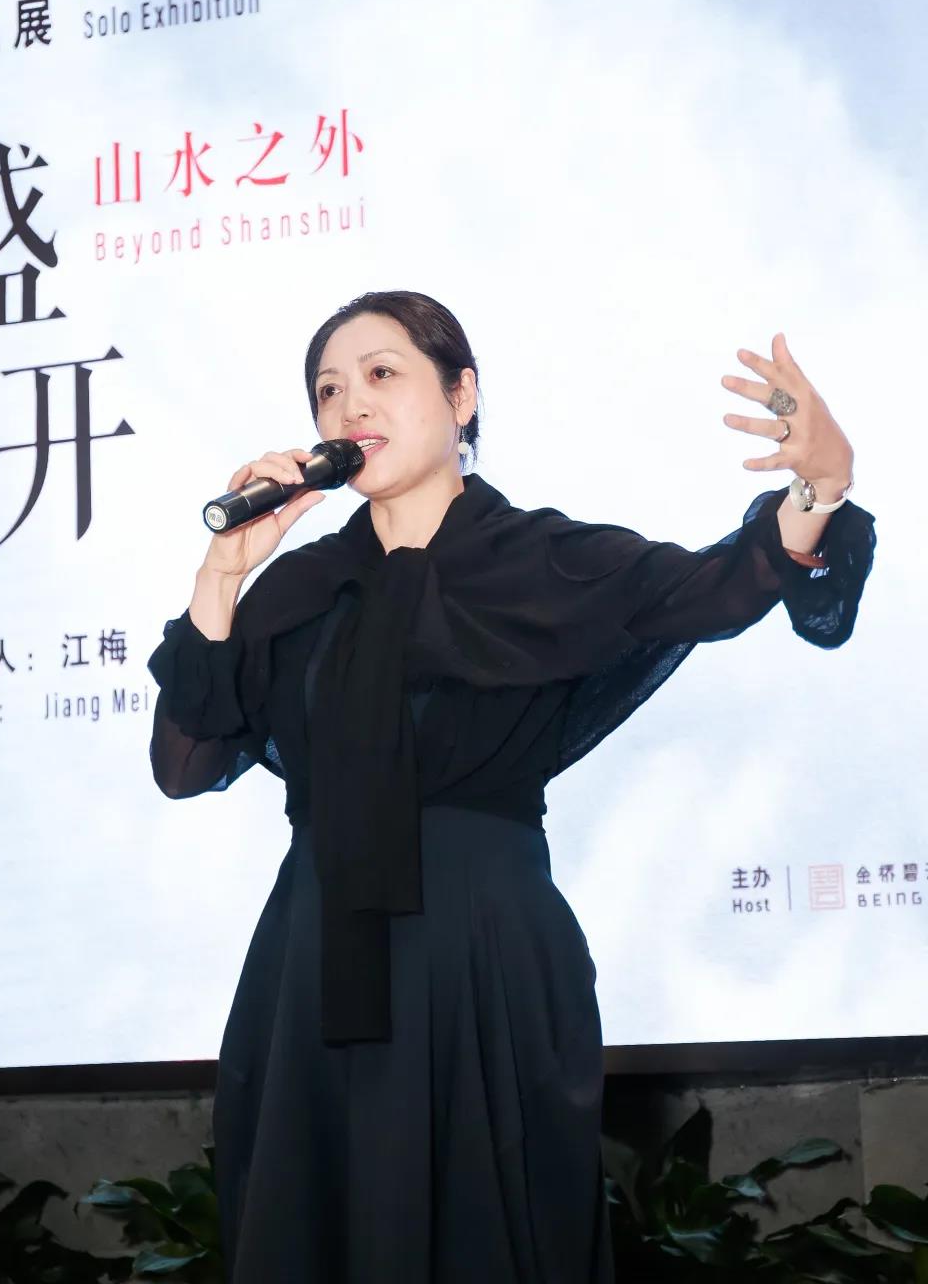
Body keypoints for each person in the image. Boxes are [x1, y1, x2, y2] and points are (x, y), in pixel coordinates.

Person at [147, 291, 875, 1283]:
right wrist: (222, 574)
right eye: (328, 390)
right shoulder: (298, 590)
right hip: (313, 960)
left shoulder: (542, 560)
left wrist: (821, 486)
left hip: (484, 950)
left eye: (382, 374)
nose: (350, 404)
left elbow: (715, 587)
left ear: (462, 396)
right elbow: (185, 765)